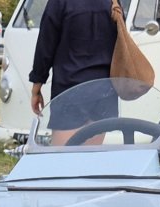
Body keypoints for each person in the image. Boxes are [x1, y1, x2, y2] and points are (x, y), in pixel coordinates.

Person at [28, 0, 117, 146]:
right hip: (104, 90)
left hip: (69, 90)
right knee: (90, 160)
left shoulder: (60, 3)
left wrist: (36, 86)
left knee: (62, 160)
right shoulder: (112, 1)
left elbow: (46, 45)